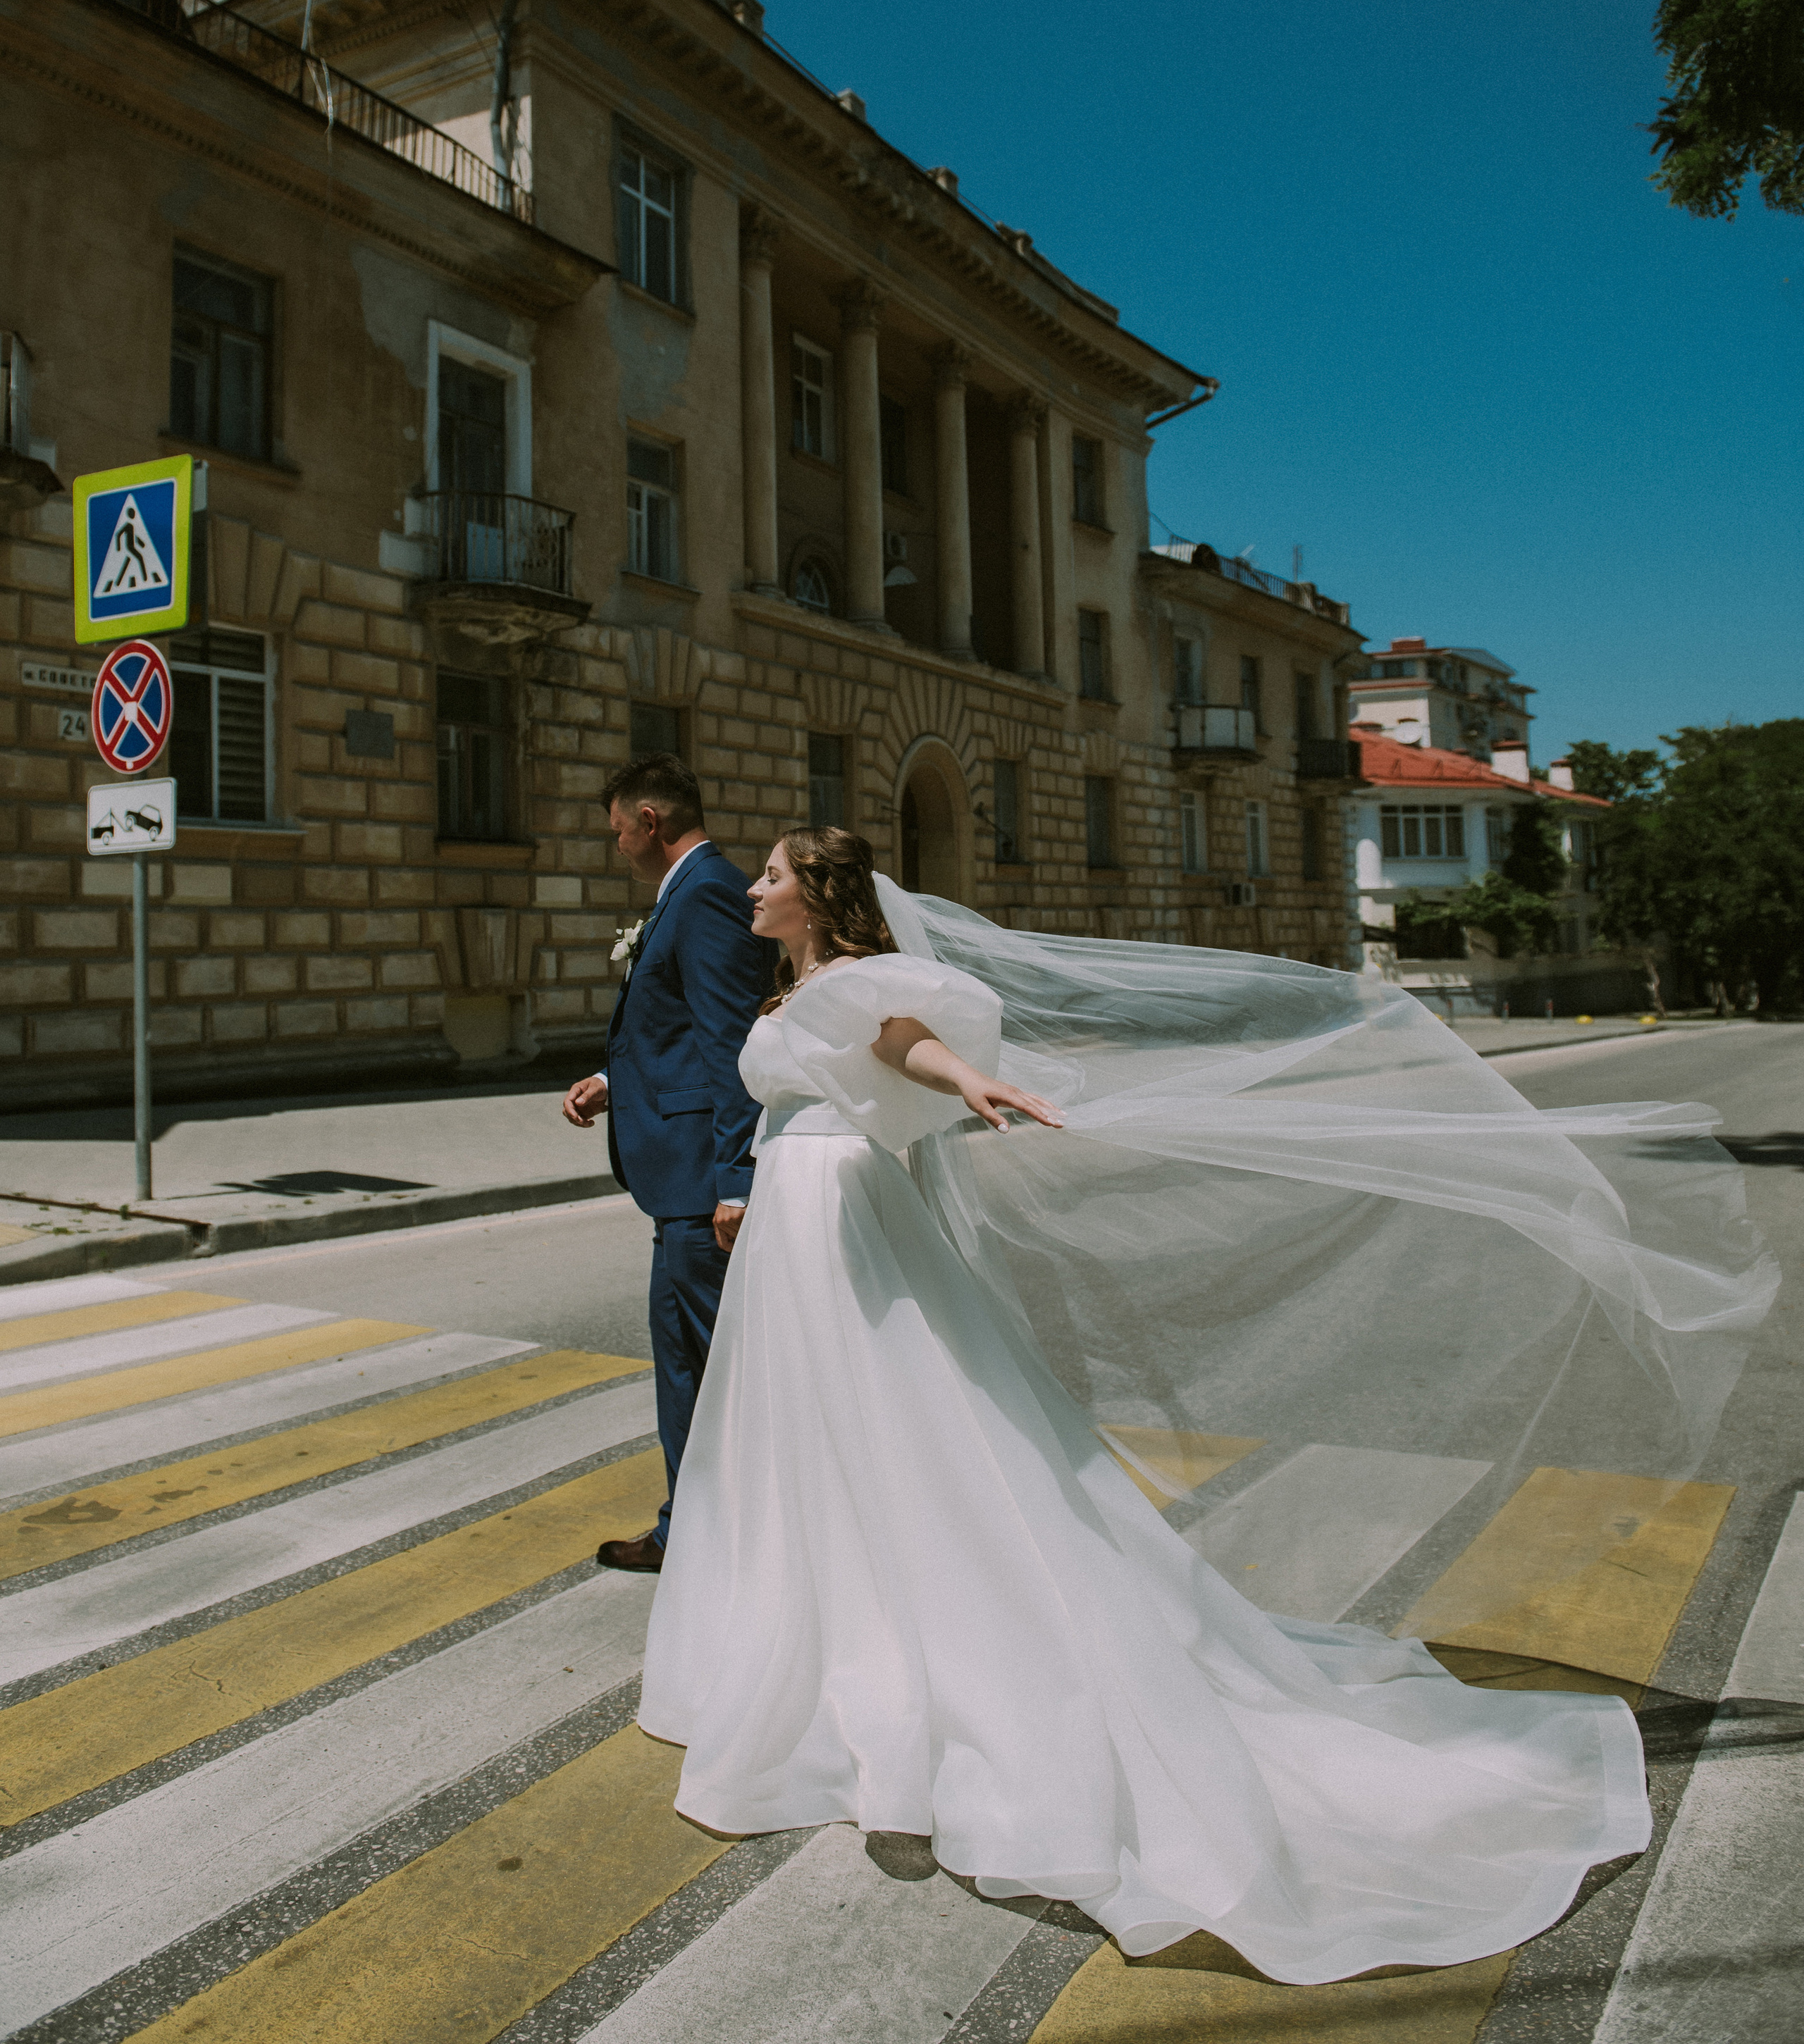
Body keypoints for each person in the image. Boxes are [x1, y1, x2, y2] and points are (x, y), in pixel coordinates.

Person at [637, 826, 1773, 1983]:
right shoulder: (795, 987)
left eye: (773, 873)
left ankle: (929, 1658)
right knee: (818, 1446)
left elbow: (907, 1046)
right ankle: (836, 1641)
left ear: (818, 892)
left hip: (839, 1216)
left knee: (902, 1435)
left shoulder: (858, 984)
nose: (756, 889)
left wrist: (969, 1077)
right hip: (794, 1214)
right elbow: (797, 1094)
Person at [561, 755, 772, 1572]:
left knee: (703, 1369)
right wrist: (616, 1081)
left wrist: (737, 1178)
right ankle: (695, 1527)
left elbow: (730, 1045)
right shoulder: (689, 891)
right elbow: (679, 1030)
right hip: (681, 1176)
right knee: (689, 1364)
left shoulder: (709, 892)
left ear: (649, 821)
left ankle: (707, 1540)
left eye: (616, 828)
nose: (613, 843)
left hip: (700, 1184)